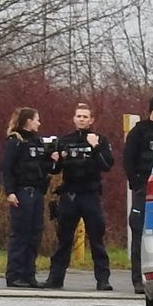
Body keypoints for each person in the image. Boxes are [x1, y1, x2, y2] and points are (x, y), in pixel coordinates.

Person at [46, 101, 115, 291]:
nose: (82, 119)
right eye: (79, 116)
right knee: (64, 239)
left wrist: (96, 147)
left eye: (85, 117)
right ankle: (55, 278)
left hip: (90, 194)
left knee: (97, 239)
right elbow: (55, 169)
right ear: (74, 119)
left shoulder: (100, 140)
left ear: (91, 120)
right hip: (70, 195)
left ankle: (103, 279)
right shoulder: (64, 141)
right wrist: (55, 160)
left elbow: (107, 165)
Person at [122, 95, 153, 293]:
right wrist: (137, 185)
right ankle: (138, 279)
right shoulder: (139, 132)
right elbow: (128, 160)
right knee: (139, 231)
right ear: (151, 111)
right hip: (144, 188)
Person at [0, 107, 51, 289]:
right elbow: (6, 168)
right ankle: (15, 275)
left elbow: (44, 167)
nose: (39, 123)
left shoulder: (37, 142)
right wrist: (10, 192)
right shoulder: (15, 142)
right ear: (28, 121)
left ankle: (29, 275)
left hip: (37, 193)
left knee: (34, 234)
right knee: (20, 234)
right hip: (21, 192)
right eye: (37, 119)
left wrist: (53, 159)